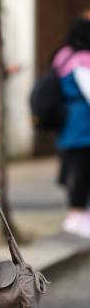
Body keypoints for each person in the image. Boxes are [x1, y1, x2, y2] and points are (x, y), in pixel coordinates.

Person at [52, 16, 90, 238]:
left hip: (68, 120)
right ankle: (77, 215)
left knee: (73, 166)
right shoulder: (83, 59)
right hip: (83, 123)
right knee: (82, 169)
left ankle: (76, 214)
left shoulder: (62, 56)